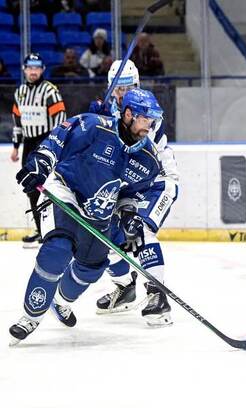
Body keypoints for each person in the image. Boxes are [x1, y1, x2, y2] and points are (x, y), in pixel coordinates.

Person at [8, 88, 164, 345]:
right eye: (145, 118)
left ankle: (60, 301)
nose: (151, 124)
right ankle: (30, 317)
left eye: (152, 119)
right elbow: (56, 141)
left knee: (90, 269)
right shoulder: (94, 126)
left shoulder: (148, 159)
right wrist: (39, 165)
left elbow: (132, 194)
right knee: (57, 250)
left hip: (99, 214)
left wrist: (128, 216)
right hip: (66, 194)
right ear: (128, 114)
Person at [83, 59, 179, 326]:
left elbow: (136, 144)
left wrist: (109, 125)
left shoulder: (145, 109)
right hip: (126, 184)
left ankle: (157, 294)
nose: (121, 93)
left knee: (141, 230)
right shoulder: (110, 111)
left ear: (135, 85)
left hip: (157, 182)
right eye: (116, 87)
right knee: (105, 233)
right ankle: (125, 286)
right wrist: (98, 121)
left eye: (126, 87)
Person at [10, 53, 66, 247]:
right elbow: (18, 122)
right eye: (30, 67)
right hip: (28, 144)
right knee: (31, 188)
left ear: (42, 69)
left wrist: (57, 145)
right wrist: (16, 147)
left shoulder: (50, 91)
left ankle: (55, 229)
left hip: (46, 143)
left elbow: (61, 119)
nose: (33, 71)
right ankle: (41, 230)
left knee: (51, 187)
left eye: (37, 67)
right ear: (24, 69)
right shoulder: (20, 92)